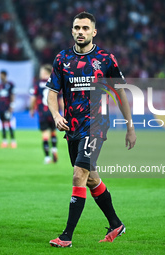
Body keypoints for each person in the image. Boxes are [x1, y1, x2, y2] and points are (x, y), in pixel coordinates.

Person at [46, 12, 137, 247]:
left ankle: (66, 236)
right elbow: (52, 93)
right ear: (72, 30)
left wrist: (130, 125)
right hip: (72, 127)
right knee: (90, 178)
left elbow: (121, 95)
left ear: (93, 32)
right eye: (77, 27)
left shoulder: (106, 59)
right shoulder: (62, 59)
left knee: (78, 174)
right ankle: (116, 223)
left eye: (85, 28)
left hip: (96, 126)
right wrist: (56, 115)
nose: (80, 32)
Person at [29, 64, 63, 164]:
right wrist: (64, 112)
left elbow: (33, 98)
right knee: (53, 131)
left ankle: (47, 158)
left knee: (45, 134)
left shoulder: (37, 83)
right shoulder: (55, 82)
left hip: (42, 112)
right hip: (54, 112)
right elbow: (61, 99)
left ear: (45, 73)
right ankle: (54, 150)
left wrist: (31, 109)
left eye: (41, 72)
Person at [0, 70, 16, 148]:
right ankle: (4, 142)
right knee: (2, 124)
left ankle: (13, 141)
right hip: (1, 107)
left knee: (8, 123)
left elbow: (12, 95)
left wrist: (12, 105)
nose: (0, 77)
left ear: (5, 75)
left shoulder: (10, 84)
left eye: (1, 75)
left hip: (7, 107)